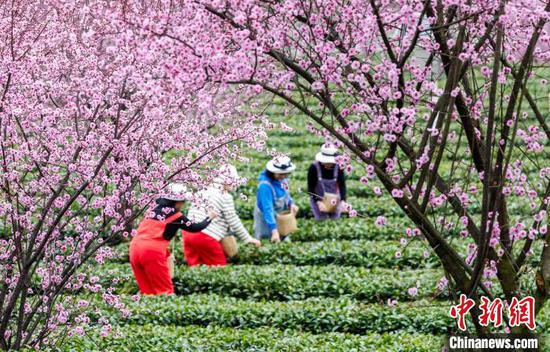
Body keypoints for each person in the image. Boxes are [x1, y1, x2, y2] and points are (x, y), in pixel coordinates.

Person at [129, 183, 216, 295]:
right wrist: (209, 218)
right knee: (164, 291)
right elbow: (195, 227)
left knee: (147, 291)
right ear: (179, 202)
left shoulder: (152, 209)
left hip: (134, 249)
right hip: (151, 252)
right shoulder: (176, 215)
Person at [185, 165, 262, 266]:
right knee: (219, 266)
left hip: (187, 233)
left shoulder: (202, 190)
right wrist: (248, 239)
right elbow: (233, 220)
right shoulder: (225, 196)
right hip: (205, 236)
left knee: (195, 267)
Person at [254, 156, 298, 243]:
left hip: (281, 219)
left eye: (285, 174)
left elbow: (286, 194)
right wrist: (274, 231)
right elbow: (268, 210)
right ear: (272, 172)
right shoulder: (265, 186)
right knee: (267, 242)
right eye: (280, 174)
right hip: (266, 222)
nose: (283, 176)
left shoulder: (283, 180)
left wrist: (291, 204)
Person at [308, 144, 347, 220]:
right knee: (321, 220)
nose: (328, 164)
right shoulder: (314, 167)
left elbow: (342, 184)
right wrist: (318, 202)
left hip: (334, 199)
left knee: (335, 220)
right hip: (318, 199)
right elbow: (311, 188)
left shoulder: (338, 167)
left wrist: (343, 200)